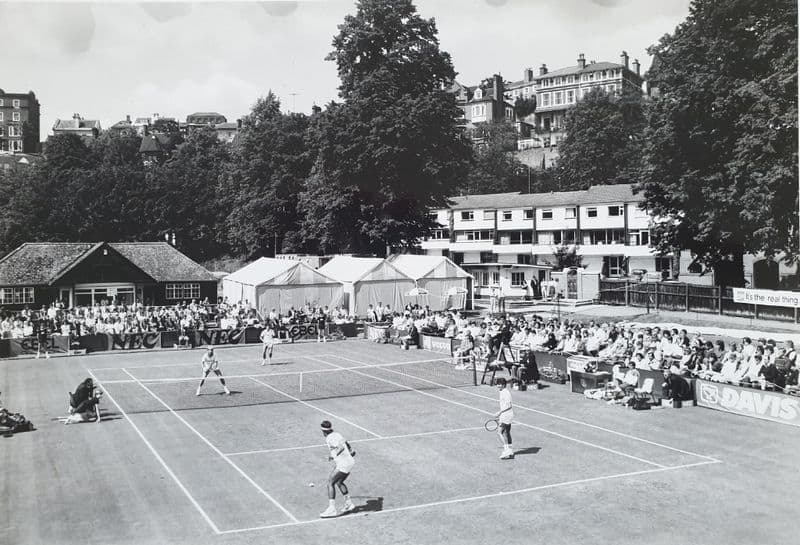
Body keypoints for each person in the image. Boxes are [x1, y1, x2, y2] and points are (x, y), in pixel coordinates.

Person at [319, 420, 356, 518]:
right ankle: (349, 503)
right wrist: (351, 450)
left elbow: (341, 448)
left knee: (330, 483)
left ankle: (332, 509)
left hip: (343, 464)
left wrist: (334, 456)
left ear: (324, 431)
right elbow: (346, 443)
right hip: (350, 462)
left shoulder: (329, 438)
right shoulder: (337, 434)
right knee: (339, 482)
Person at [494, 378, 514, 459]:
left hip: (506, 415)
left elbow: (509, 405)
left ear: (503, 385)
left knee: (500, 432)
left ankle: (507, 450)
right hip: (507, 414)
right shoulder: (502, 391)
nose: (498, 386)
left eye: (499, 384)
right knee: (507, 432)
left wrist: (499, 412)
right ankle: (510, 449)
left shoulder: (506, 393)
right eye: (497, 384)